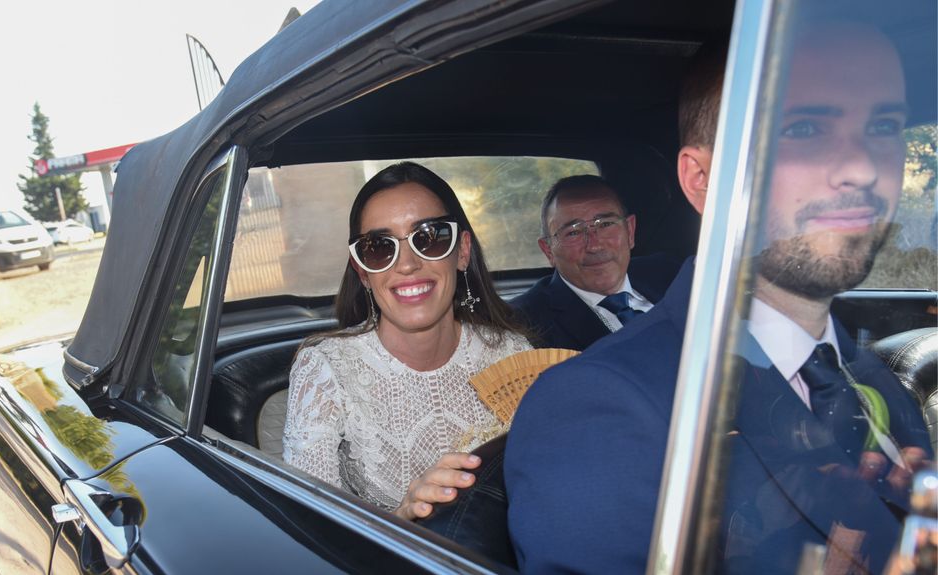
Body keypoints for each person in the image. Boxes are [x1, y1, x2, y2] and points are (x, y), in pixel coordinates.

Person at [505, 19, 933, 574]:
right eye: (803, 129)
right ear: (703, 178)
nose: (861, 166)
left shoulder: (870, 375)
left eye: (883, 126)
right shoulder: (594, 408)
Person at [283, 161, 531, 521]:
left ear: (462, 251)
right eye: (379, 247)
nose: (407, 264)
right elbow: (313, 531)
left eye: (429, 237)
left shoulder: (513, 355)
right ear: (363, 272)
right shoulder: (326, 371)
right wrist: (402, 518)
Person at [511, 176, 680, 350]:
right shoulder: (524, 327)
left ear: (630, 231)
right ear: (548, 250)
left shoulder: (672, 274)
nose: (595, 246)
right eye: (573, 232)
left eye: (606, 224)